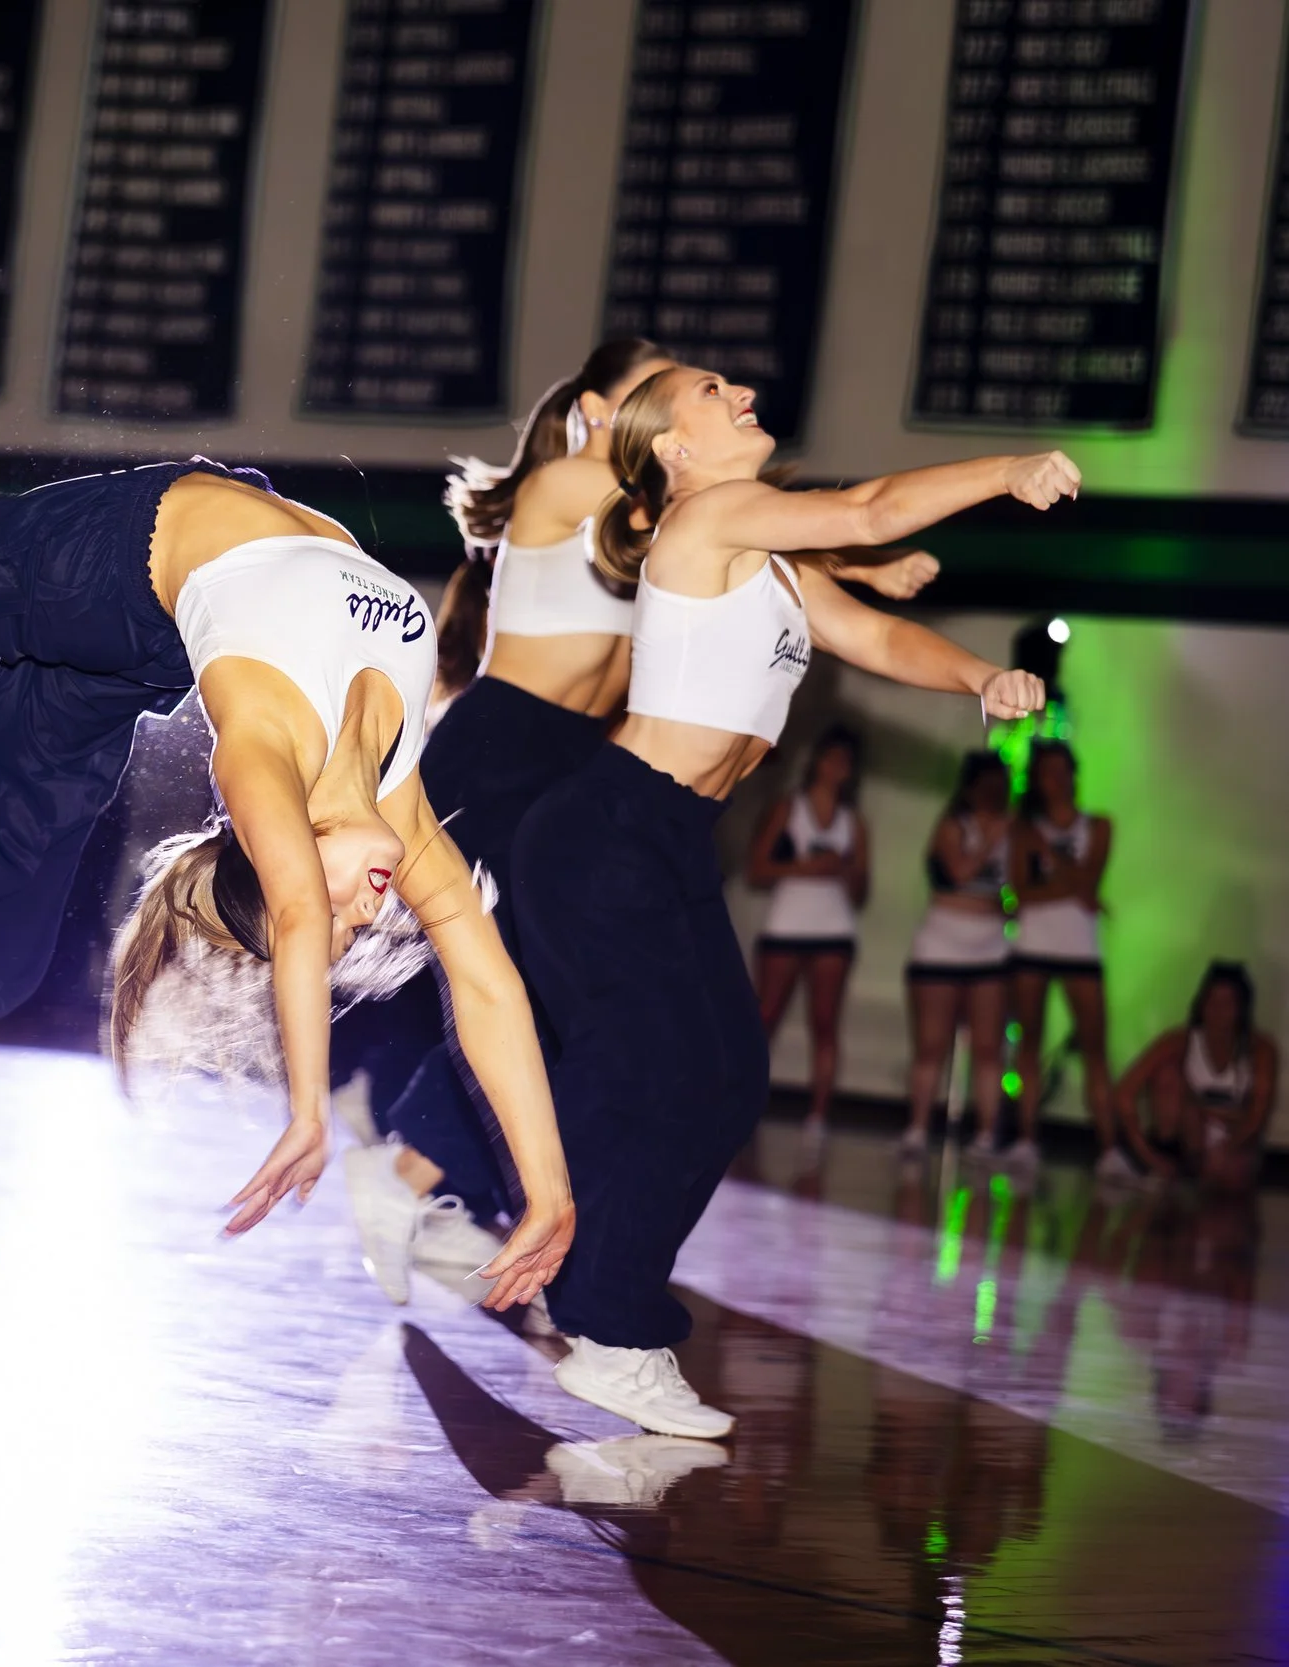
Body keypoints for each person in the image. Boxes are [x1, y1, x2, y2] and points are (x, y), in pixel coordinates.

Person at [0, 458, 572, 1301]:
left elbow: (307, 911)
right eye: (362, 919)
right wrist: (550, 1192)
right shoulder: (405, 810)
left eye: (342, 918)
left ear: (282, 860)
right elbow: (490, 984)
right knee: (41, 762)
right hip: (169, 611)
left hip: (121, 556)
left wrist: (308, 1112)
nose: (374, 903)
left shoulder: (259, 756)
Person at [510, 363, 1064, 1438]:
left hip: (660, 836)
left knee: (721, 1076)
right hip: (608, 830)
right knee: (663, 1075)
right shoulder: (709, 515)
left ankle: (573, 1268)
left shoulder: (767, 559)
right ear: (672, 447)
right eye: (714, 391)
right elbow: (866, 508)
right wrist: (1006, 468)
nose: (747, 389)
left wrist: (975, 680)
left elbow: (875, 636)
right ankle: (608, 1323)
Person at [339, 339, 934, 1309]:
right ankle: (408, 1169)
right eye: (646, 392)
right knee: (523, 992)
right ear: (595, 411)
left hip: (572, 765)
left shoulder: (660, 518)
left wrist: (848, 571)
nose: (667, 412)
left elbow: (731, 528)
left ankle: (438, 1177)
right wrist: (855, 554)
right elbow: (710, 511)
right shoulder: (568, 485)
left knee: (569, 1006)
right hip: (499, 751)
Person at [746, 725, 869, 1130]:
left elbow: (860, 889)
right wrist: (806, 867)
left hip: (833, 928)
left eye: (844, 763)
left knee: (825, 1021)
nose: (836, 768)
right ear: (816, 760)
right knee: (765, 1017)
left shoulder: (854, 822)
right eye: (830, 758)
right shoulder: (789, 807)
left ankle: (818, 1116)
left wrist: (842, 867)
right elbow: (758, 869)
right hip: (787, 924)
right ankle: (745, 1107)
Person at [1006, 740, 1119, 1174]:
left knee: (1095, 1049)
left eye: (1062, 770)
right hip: (1033, 947)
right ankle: (1025, 1140)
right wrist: (1073, 889)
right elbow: (1019, 894)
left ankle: (1109, 1150)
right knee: (1029, 1045)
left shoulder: (1099, 825)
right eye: (1047, 771)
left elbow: (1089, 882)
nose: (1056, 779)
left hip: (1080, 949)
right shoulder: (1022, 830)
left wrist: (1050, 859)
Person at [903, 751, 1013, 1158]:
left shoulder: (1014, 830)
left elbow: (1018, 888)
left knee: (988, 1047)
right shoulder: (953, 825)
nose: (992, 792)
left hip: (990, 947)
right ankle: (916, 1129)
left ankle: (986, 1135)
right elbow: (960, 872)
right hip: (941, 944)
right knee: (932, 1043)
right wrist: (990, 839)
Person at [1110, 962, 1275, 1194]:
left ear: (1241, 1009)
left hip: (1233, 1144)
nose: (1218, 1011)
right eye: (1212, 1002)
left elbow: (1257, 1116)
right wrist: (1147, 1155)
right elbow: (1124, 1092)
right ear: (1201, 1003)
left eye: (1227, 1003)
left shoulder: (1260, 1050)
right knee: (1167, 1076)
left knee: (1230, 1179)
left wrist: (1225, 1147)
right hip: (1187, 1138)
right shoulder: (1180, 1040)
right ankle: (1163, 1162)